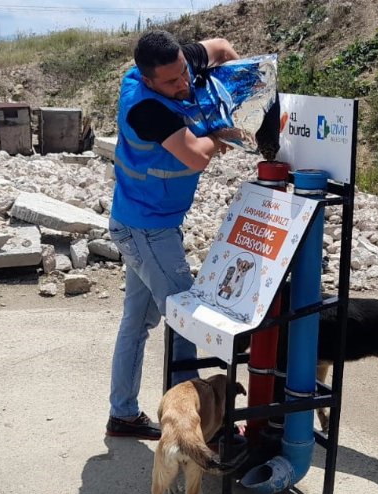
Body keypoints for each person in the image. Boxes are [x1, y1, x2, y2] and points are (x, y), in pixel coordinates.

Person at [106, 30, 239, 440]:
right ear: (147, 80)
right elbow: (196, 156)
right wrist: (220, 134)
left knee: (136, 322)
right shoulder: (144, 107)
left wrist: (226, 96)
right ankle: (195, 427)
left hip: (140, 222)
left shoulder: (176, 62)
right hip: (147, 230)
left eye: (184, 73)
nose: (182, 84)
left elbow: (221, 49)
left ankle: (123, 414)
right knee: (188, 321)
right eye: (170, 82)